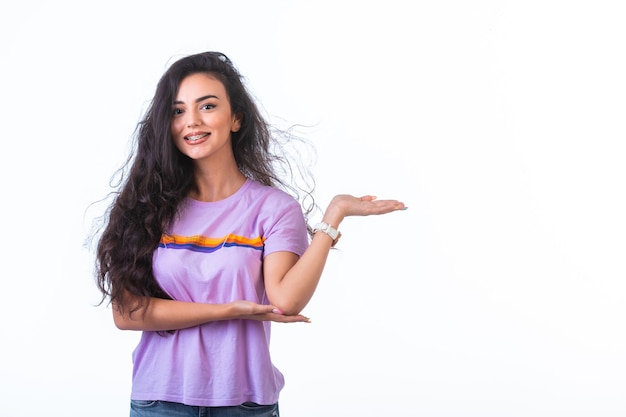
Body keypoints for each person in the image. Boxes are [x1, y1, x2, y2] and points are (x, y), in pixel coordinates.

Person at [94, 51, 406, 417]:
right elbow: (128, 313)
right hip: (160, 401)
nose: (191, 122)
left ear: (236, 118)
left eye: (207, 106)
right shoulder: (145, 207)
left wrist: (333, 217)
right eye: (177, 111)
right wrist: (228, 310)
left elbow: (286, 300)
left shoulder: (273, 208)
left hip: (244, 403)